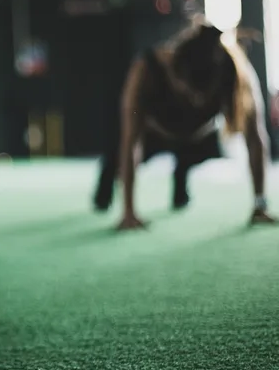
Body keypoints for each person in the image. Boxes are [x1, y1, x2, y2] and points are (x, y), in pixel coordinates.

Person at [108, 21, 275, 231]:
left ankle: (181, 173)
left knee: (196, 156)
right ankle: (106, 183)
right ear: (176, 73)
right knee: (114, 162)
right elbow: (131, 141)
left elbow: (255, 137)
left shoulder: (234, 73)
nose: (198, 101)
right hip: (156, 134)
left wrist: (260, 204)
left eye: (203, 95)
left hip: (200, 138)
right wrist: (129, 212)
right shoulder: (146, 69)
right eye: (192, 92)